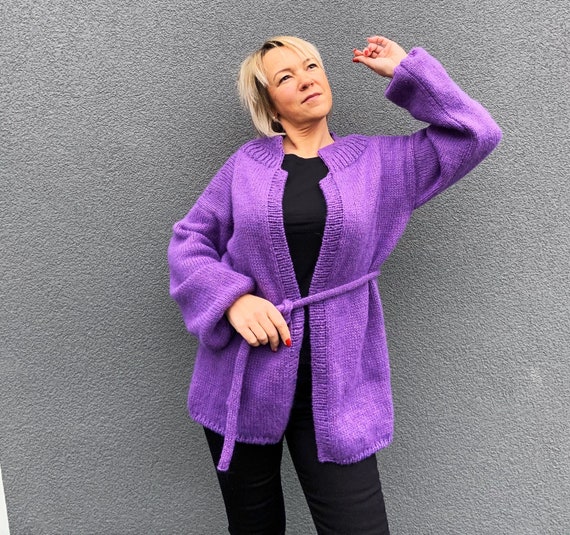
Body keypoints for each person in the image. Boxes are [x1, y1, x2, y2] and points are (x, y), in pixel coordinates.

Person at [168, 34, 501, 535]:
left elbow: (477, 133)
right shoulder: (246, 165)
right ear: (269, 105)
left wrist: (408, 73)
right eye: (286, 77)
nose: (306, 79)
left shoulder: (381, 163)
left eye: (311, 66)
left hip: (340, 386)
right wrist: (231, 300)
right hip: (243, 379)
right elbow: (189, 241)